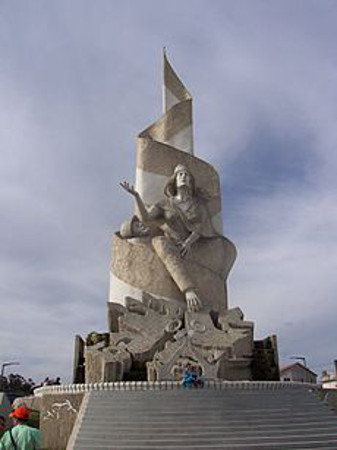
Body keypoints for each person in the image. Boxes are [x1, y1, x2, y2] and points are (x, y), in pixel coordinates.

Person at [120, 164, 220, 312]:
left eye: (186, 175)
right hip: (170, 243)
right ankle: (188, 290)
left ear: (191, 182)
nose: (183, 177)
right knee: (159, 242)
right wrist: (136, 196)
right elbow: (146, 217)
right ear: (174, 181)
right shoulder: (165, 203)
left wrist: (188, 242)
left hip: (190, 247)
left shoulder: (198, 205)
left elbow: (201, 227)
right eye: (180, 175)